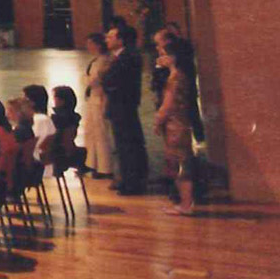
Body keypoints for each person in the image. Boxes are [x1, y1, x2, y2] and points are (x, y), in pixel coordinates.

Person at [154, 37, 200, 215]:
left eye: (165, 54)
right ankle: (185, 202)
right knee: (181, 162)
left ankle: (186, 204)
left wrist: (158, 120)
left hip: (175, 125)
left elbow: (168, 105)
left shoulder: (175, 78)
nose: (162, 57)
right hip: (180, 123)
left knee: (180, 164)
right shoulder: (179, 75)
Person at [103, 22, 148, 194]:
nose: (106, 40)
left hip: (122, 105)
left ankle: (132, 183)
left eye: (110, 37)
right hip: (121, 105)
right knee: (124, 144)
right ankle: (127, 179)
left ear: (120, 40)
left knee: (127, 144)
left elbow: (114, 81)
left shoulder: (127, 57)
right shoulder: (124, 56)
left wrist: (106, 80)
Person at [80, 32, 116, 180]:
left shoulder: (105, 61)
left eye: (91, 44)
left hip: (100, 99)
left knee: (101, 134)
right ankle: (92, 163)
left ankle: (105, 167)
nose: (88, 46)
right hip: (93, 99)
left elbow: (93, 81)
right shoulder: (97, 60)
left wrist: (85, 79)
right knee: (91, 132)